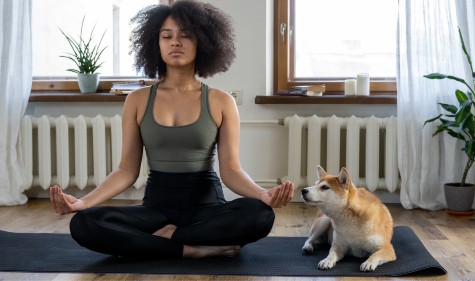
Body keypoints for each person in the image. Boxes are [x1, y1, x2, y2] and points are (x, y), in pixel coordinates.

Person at [49, 0, 294, 259]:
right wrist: (84, 202)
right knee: (84, 223)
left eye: (185, 36)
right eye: (167, 36)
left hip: (207, 209)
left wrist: (262, 194)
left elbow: (231, 170)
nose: (175, 42)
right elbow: (126, 170)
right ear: (156, 44)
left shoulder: (221, 101)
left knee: (260, 215)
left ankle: (166, 241)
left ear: (203, 43)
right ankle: (190, 249)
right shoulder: (137, 100)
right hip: (156, 210)